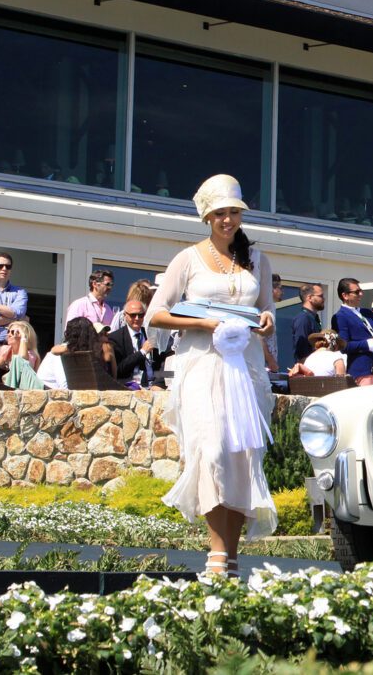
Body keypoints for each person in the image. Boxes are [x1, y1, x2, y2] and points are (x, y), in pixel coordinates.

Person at [145, 173, 279, 578]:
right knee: (213, 450)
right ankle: (216, 551)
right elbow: (156, 313)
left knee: (241, 455)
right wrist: (204, 323)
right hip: (202, 366)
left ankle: (230, 556)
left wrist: (268, 322)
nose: (228, 220)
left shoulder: (258, 259)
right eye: (220, 213)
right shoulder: (187, 258)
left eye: (234, 212)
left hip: (245, 367)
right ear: (207, 216)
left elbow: (267, 310)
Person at [108, 299, 169, 389]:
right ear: (125, 315)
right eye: (133, 315)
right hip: (129, 386)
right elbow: (118, 370)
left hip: (153, 386)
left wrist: (158, 383)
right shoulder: (115, 338)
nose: (137, 318)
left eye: (140, 315)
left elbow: (164, 365)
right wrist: (142, 352)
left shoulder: (151, 335)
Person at [0, 320, 46, 390]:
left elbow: (21, 360)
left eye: (13, 332)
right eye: (8, 331)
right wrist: (3, 358)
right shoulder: (5, 349)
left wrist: (23, 337)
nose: (9, 335)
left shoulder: (31, 354)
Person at [290, 284, 325, 363]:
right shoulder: (303, 318)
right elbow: (301, 352)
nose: (323, 299)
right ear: (309, 298)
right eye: (321, 296)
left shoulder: (313, 318)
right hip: (307, 371)